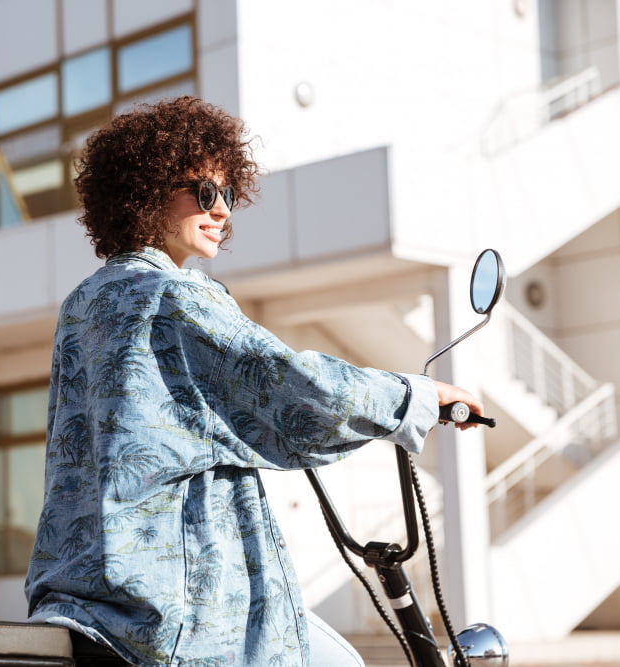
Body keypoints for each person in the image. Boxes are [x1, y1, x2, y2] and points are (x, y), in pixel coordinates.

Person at [25, 96, 483, 667]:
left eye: (230, 195)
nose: (223, 212)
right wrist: (416, 396)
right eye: (206, 192)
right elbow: (296, 389)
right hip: (179, 611)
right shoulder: (175, 295)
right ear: (147, 190)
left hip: (85, 597)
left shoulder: (84, 304)